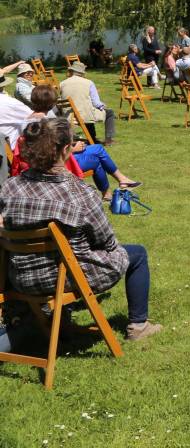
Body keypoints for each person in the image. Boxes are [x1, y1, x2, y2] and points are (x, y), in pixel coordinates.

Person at [0, 117, 162, 340]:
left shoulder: (9, 187)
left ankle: (54, 320)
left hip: (21, 277)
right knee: (137, 254)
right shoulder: (79, 193)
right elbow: (107, 242)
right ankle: (139, 326)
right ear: (67, 150)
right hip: (65, 276)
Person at [13, 85, 140, 201]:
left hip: (36, 162)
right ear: (52, 103)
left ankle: (117, 184)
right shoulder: (47, 124)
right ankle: (111, 189)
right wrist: (73, 149)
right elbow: (48, 151)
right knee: (96, 158)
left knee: (98, 149)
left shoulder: (25, 122)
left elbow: (41, 147)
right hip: (52, 163)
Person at [59, 61, 117, 144]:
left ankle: (92, 138)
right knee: (109, 112)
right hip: (83, 115)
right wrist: (102, 106)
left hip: (69, 116)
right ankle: (109, 139)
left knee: (87, 109)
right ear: (82, 72)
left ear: (72, 71)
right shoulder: (89, 83)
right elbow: (96, 102)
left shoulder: (62, 83)